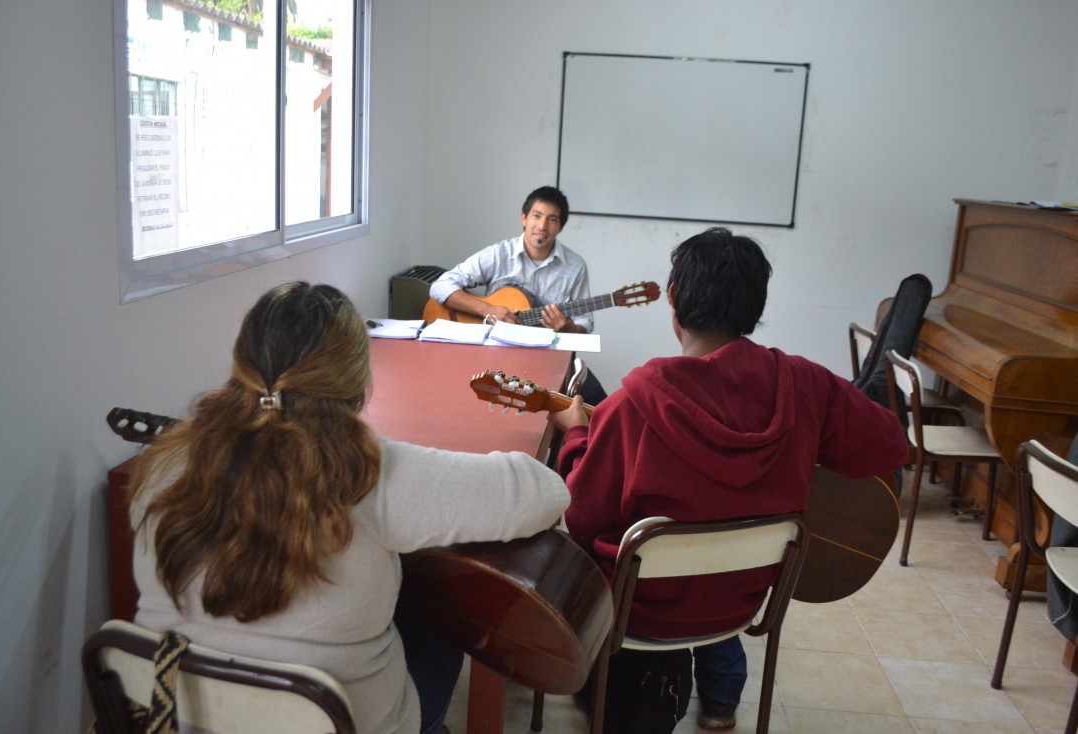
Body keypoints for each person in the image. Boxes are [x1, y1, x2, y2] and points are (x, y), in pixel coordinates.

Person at [129, 282, 570, 734]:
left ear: (241, 361)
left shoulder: (162, 464)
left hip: (178, 716)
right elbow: (545, 493)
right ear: (358, 380)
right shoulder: (371, 472)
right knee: (442, 614)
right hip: (340, 721)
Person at [548, 227, 907, 731]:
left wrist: (577, 435)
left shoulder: (632, 404)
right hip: (743, 599)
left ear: (672, 299)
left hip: (640, 611)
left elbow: (583, 517)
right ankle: (721, 703)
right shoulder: (805, 383)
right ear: (756, 306)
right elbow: (890, 443)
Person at [429, 185, 607, 404]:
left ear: (560, 227)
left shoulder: (575, 266)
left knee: (598, 402)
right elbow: (440, 285)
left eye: (552, 220)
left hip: (547, 357)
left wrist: (569, 328)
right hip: (494, 354)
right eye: (536, 216)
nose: (542, 226)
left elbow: (585, 321)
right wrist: (487, 309)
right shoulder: (498, 255)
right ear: (524, 217)